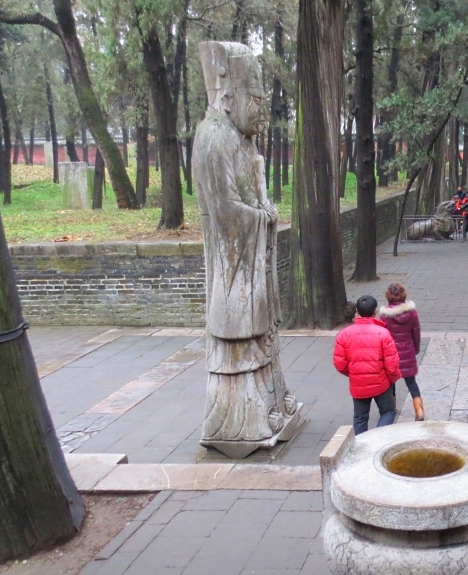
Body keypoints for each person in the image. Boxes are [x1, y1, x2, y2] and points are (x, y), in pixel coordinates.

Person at [195, 41, 299, 453]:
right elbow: (224, 213)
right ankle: (242, 415)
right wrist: (263, 218)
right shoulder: (212, 138)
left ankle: (273, 399)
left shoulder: (244, 143)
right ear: (231, 95)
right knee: (240, 334)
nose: (261, 112)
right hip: (234, 265)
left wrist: (264, 205)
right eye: (255, 100)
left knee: (264, 337)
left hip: (253, 263)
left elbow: (254, 197)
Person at [333, 295, 401, 434]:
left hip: (358, 384)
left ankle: (362, 446)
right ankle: (378, 438)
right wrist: (392, 378)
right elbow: (392, 364)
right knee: (388, 412)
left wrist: (353, 372)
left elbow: (340, 364)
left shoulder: (344, 334)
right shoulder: (383, 333)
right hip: (381, 383)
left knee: (360, 418)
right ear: (375, 311)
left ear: (357, 310)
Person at [379, 283, 425, 421]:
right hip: (408, 351)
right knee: (411, 381)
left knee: (390, 381)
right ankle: (419, 409)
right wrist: (415, 348)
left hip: (390, 353)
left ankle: (391, 407)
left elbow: (382, 336)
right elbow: (416, 332)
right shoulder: (412, 313)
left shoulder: (384, 316)